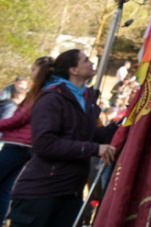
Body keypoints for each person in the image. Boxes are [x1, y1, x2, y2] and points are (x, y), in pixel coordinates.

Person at [7, 50, 117, 227]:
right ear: (73, 70)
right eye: (86, 60)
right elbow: (44, 144)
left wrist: (125, 123)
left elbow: (95, 137)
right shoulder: (52, 98)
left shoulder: (87, 100)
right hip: (41, 193)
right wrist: (94, 149)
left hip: (70, 192)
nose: (92, 63)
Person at [0, 57, 54, 222]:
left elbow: (20, 118)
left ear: (41, 71)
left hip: (18, 145)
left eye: (33, 70)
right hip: (26, 146)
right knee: (4, 189)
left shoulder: (40, 92)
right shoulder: (49, 91)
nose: (31, 74)